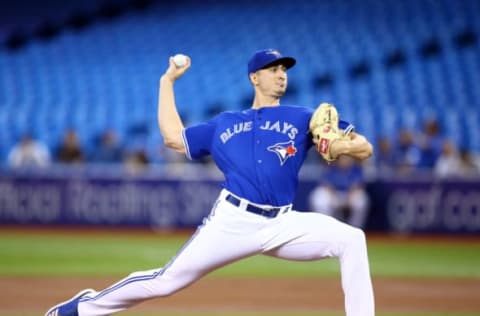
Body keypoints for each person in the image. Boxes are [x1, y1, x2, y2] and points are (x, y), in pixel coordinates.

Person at [45, 49, 375, 316]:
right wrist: (167, 82)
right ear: (254, 77)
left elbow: (365, 147)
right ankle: (81, 307)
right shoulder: (225, 123)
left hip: (283, 222)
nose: (281, 74)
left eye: (284, 69)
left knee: (352, 239)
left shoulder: (304, 117)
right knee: (165, 282)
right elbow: (174, 138)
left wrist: (342, 144)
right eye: (273, 68)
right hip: (233, 221)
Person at [309, 155, 370, 228]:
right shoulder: (331, 168)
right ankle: (326, 228)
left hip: (349, 196)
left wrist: (348, 199)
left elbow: (358, 186)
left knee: (361, 201)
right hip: (333, 195)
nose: (345, 160)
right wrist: (334, 198)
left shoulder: (356, 169)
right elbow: (326, 185)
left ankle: (355, 228)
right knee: (318, 196)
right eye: (343, 158)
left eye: (348, 158)